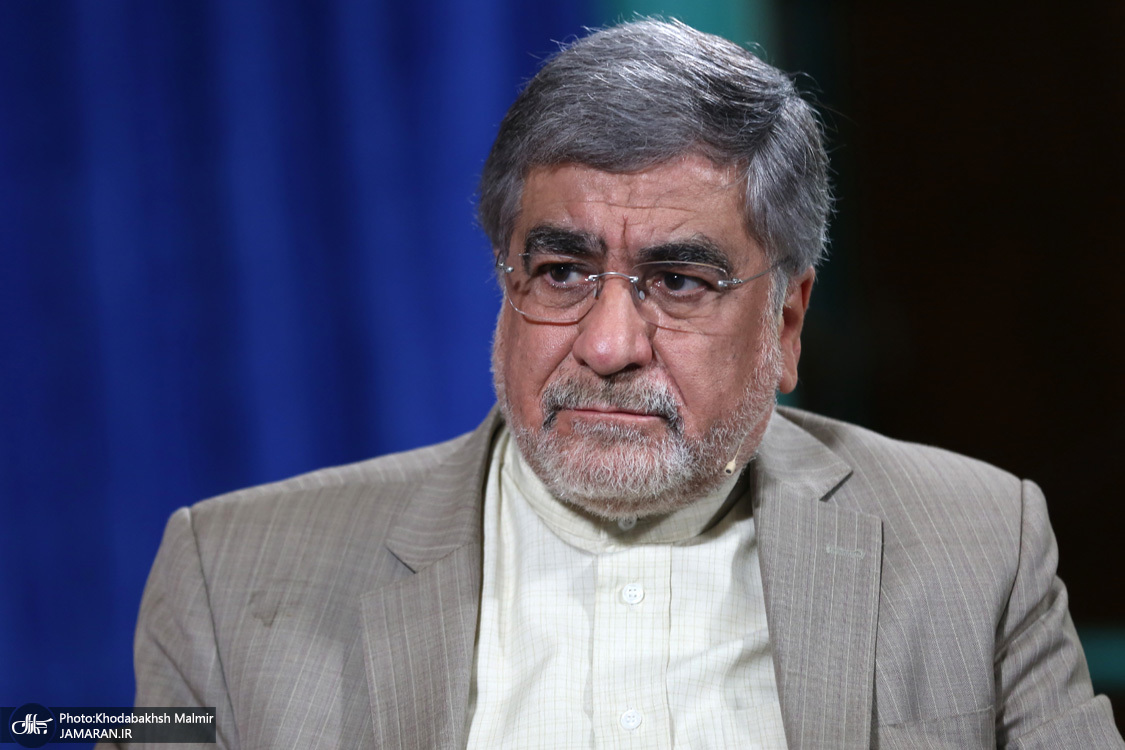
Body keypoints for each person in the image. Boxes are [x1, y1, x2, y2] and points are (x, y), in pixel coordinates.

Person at [113, 19, 1123, 749]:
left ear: (785, 324)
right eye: (560, 272)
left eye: (678, 282)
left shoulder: (974, 545)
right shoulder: (228, 576)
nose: (605, 345)